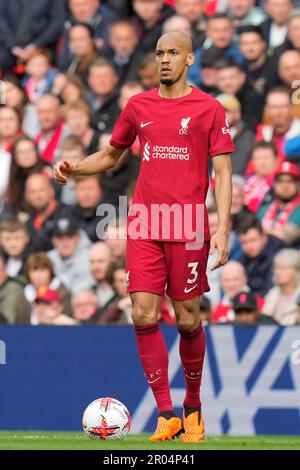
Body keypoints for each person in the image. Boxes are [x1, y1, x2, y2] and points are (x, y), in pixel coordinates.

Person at [53, 31, 234, 443]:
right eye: (159, 53)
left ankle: (193, 407)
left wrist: (222, 226)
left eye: (173, 53)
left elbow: (222, 171)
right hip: (146, 222)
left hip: (188, 225)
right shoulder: (138, 106)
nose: (164, 59)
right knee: (143, 315)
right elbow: (113, 154)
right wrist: (75, 168)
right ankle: (166, 414)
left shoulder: (209, 108)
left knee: (188, 319)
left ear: (189, 59)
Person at [237, 215, 283, 296]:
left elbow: (268, 292)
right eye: (244, 242)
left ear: (264, 238)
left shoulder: (278, 257)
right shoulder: (242, 259)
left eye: (252, 240)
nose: (249, 246)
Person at [262, 249, 300, 325]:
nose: (277, 272)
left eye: (283, 268)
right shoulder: (272, 293)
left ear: (296, 270)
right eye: (276, 268)